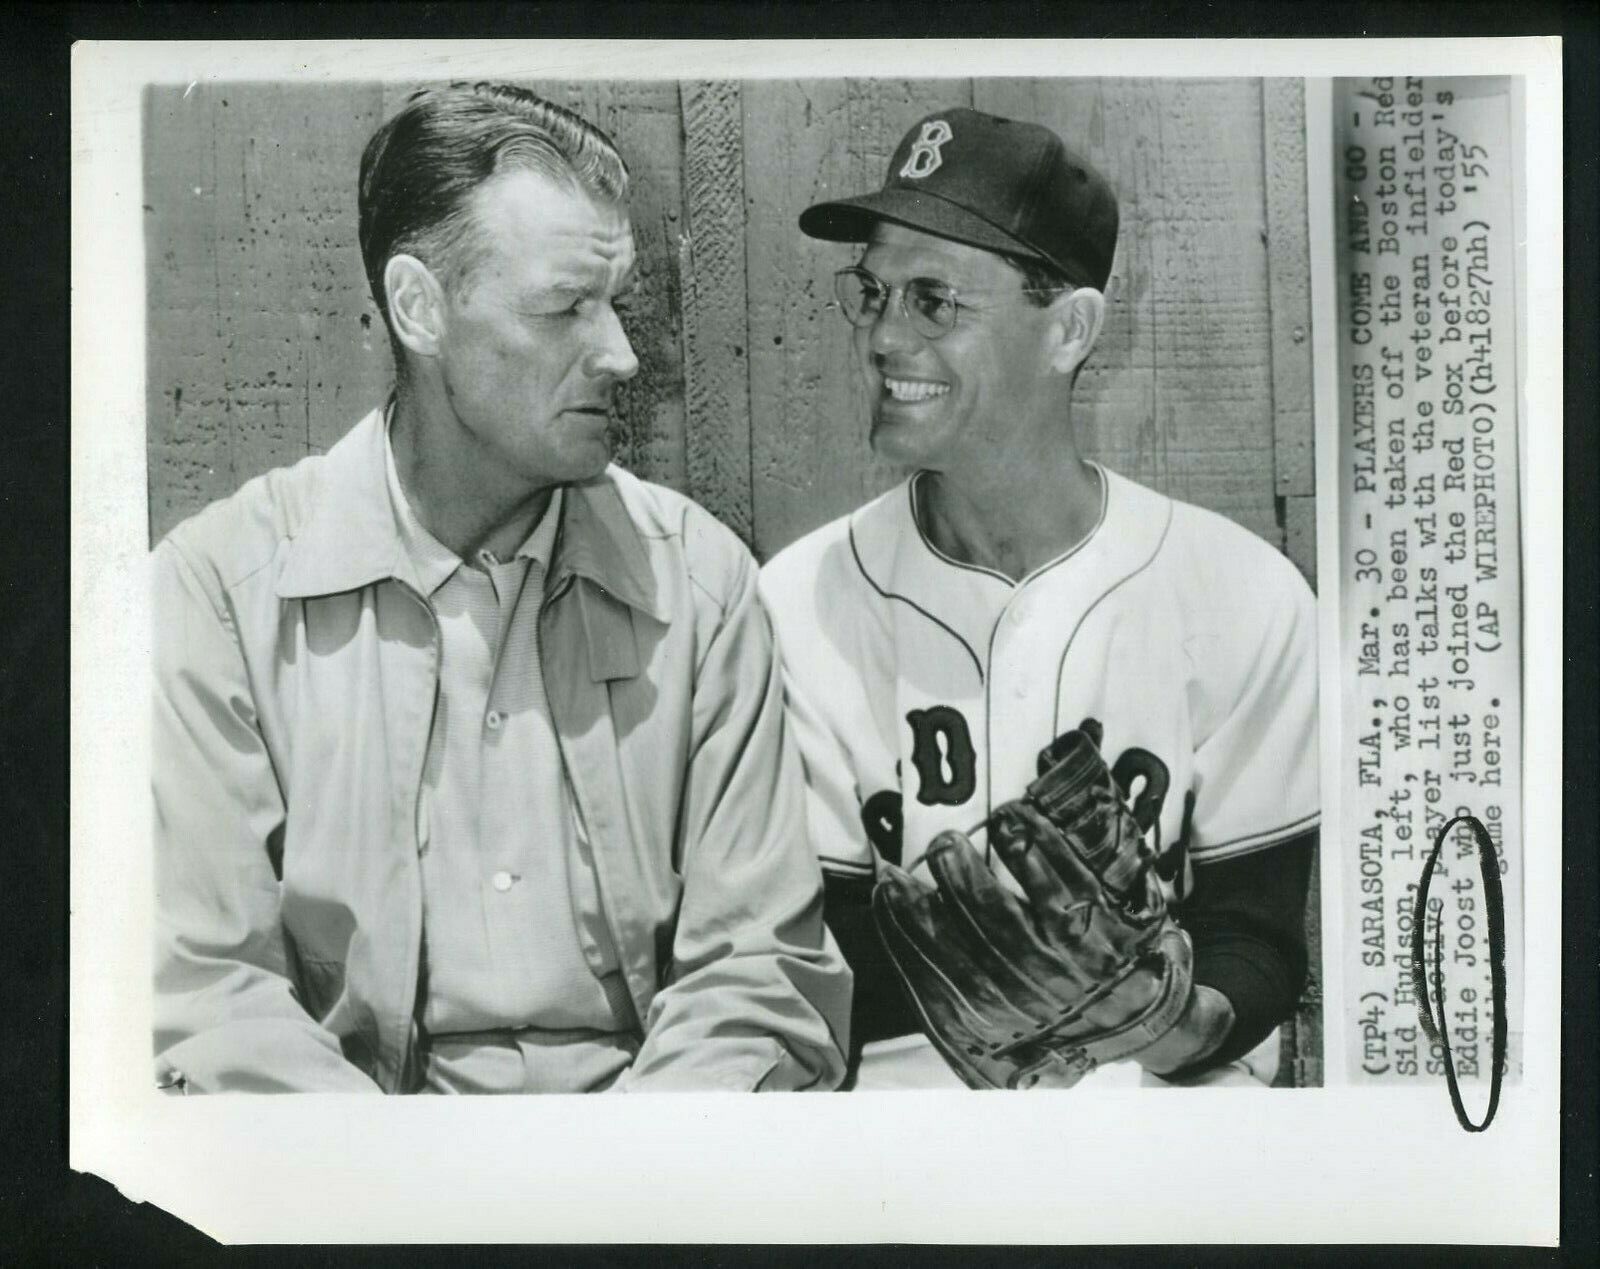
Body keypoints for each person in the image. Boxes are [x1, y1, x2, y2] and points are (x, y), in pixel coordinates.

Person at [152, 82, 850, 1094]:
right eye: (566, 307)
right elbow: (209, 998)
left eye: (619, 306)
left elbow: (757, 978)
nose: (620, 354)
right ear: (419, 308)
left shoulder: (700, 581)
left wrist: (628, 1204)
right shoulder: (216, 592)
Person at [759, 107, 1318, 1089]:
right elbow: (808, 949)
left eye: (934, 300)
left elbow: (1254, 936)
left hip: (1163, 1142)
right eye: (873, 292)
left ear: (1068, 331)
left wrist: (1177, 1022)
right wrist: (1015, 971)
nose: (884, 336)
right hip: (895, 1144)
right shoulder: (795, 600)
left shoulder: (1239, 592)